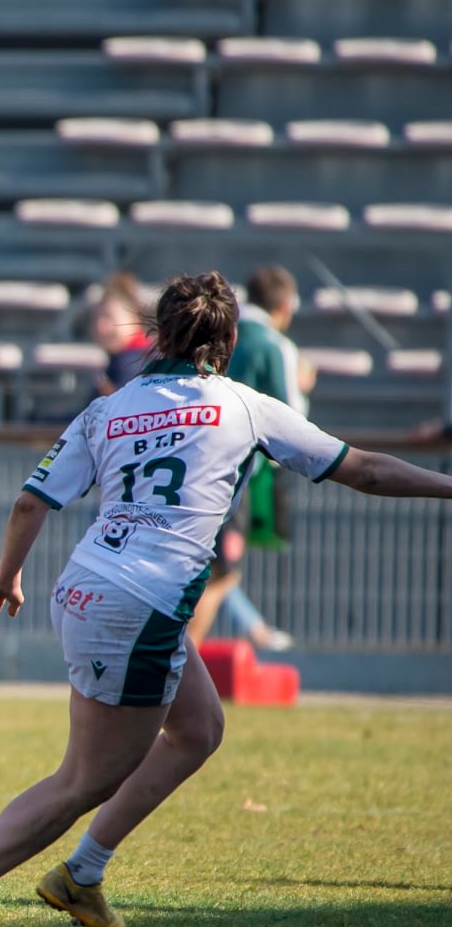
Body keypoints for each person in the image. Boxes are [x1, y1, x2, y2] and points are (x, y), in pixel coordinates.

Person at [0, 271, 452, 927]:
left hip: (88, 586)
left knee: (198, 728)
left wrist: (4, 578)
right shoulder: (244, 405)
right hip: (141, 604)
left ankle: (82, 874)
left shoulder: (109, 408)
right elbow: (364, 469)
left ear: (156, 336)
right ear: (226, 343)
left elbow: (29, 502)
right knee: (85, 778)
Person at [186, 266, 302, 651]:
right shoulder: (274, 346)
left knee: (209, 569)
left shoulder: (221, 336)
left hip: (196, 465)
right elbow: (292, 416)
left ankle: (184, 658)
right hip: (238, 475)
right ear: (285, 306)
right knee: (222, 572)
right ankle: (180, 659)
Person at [91, 273, 154, 396]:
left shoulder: (132, 362)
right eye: (96, 318)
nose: (101, 327)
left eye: (108, 318)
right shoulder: (122, 359)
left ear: (134, 318)